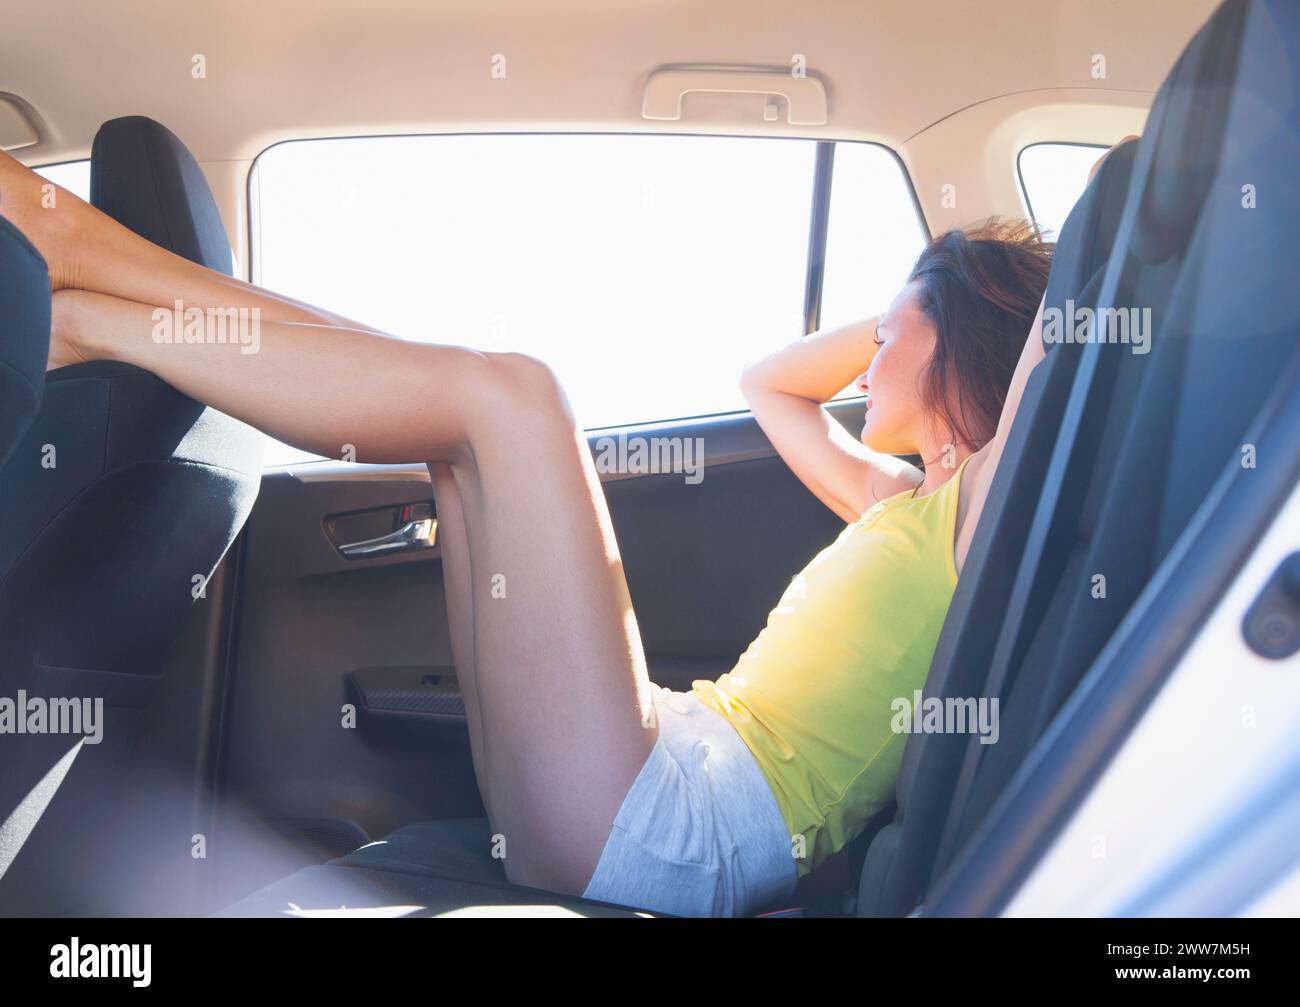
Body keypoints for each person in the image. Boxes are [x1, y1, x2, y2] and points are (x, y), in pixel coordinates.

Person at [0, 140, 1122, 916]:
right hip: (647, 778)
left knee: (514, 395)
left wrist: (952, 290)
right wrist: (911, 309)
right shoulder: (898, 502)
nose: (864, 359)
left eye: (890, 334)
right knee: (459, 430)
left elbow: (1057, 325)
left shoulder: (988, 506)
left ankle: (98, 293)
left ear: (969, 335)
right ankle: (101, 299)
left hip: (683, 828)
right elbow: (767, 384)